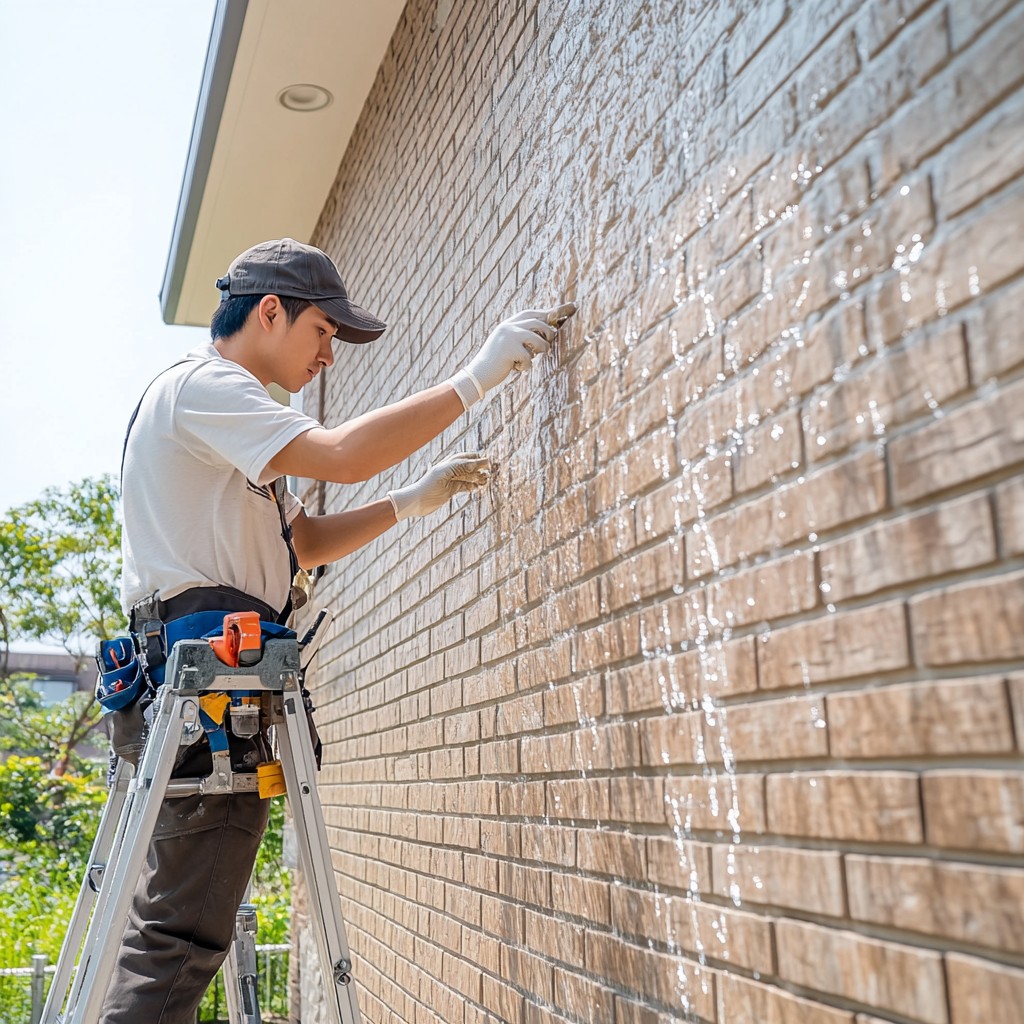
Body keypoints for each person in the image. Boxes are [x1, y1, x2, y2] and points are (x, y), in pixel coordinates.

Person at [101, 237, 564, 1022]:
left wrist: (407, 503)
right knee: (179, 941)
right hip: (205, 689)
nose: (329, 355)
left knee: (175, 927)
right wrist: (476, 378)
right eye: (323, 331)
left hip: (205, 685)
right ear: (271, 310)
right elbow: (343, 454)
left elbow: (302, 543)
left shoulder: (233, 421)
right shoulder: (208, 387)